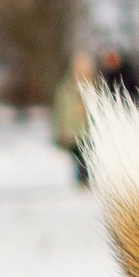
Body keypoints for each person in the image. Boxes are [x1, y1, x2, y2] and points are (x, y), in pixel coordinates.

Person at [53, 52, 97, 186]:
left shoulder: (95, 87)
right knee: (79, 157)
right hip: (73, 131)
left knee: (88, 156)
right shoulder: (66, 88)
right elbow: (60, 110)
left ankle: (87, 180)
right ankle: (82, 181)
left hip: (90, 131)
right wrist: (60, 129)